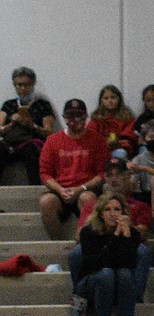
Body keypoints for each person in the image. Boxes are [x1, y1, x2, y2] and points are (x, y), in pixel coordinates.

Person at [75, 193, 145, 316]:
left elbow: (128, 264)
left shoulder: (131, 233)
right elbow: (96, 263)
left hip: (118, 282)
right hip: (90, 281)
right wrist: (115, 236)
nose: (113, 214)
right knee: (107, 274)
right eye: (108, 210)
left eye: (117, 209)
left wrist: (126, 236)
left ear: (123, 213)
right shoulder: (89, 232)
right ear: (100, 213)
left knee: (124, 274)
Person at [38, 98, 107, 237]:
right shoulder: (53, 140)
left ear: (86, 117)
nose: (75, 119)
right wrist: (60, 189)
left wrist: (81, 188)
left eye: (79, 115)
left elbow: (102, 173)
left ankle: (83, 240)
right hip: (60, 190)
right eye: (71, 116)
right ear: (65, 118)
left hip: (86, 188)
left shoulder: (97, 139)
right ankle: (57, 243)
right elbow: (45, 173)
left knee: (87, 199)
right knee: (46, 202)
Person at [0, 66, 56, 187]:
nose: (23, 88)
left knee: (31, 151)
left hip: (30, 143)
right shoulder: (8, 105)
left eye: (27, 85)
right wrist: (12, 124)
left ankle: (34, 189)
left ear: (33, 84)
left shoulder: (42, 105)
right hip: (9, 143)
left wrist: (32, 125)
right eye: (19, 85)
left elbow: (49, 132)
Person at [89, 85, 139, 157]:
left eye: (113, 97)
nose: (110, 101)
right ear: (101, 101)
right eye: (106, 98)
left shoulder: (127, 117)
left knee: (121, 154)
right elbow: (91, 136)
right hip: (101, 149)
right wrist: (105, 143)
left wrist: (117, 143)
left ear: (119, 99)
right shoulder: (96, 118)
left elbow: (128, 139)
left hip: (119, 148)